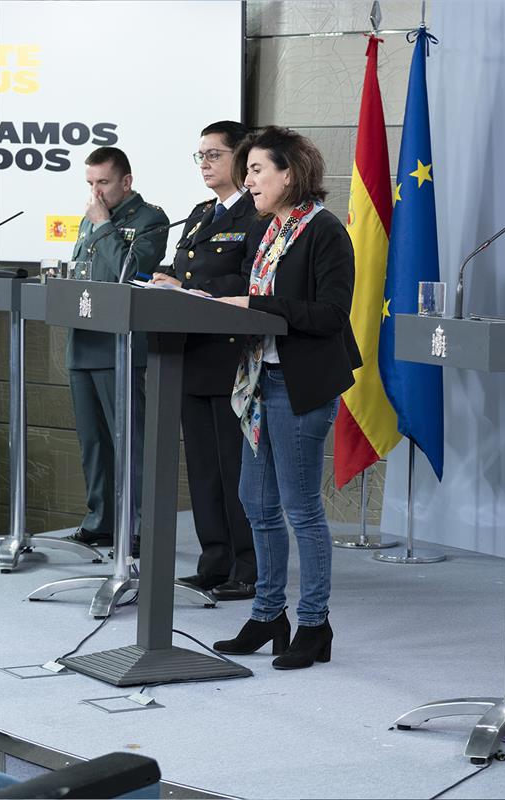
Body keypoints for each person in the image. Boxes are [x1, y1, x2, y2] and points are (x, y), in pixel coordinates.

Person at [212, 126, 361, 670]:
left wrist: (260, 306)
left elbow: (330, 315)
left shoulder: (324, 231)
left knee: (300, 508)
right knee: (256, 502)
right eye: (246, 169)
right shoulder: (265, 231)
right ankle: (268, 613)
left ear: (288, 174)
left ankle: (314, 625)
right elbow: (250, 296)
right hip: (258, 381)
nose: (246, 179)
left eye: (255, 170)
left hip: (301, 384)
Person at [151, 121, 258, 601]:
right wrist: (163, 280)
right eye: (200, 156)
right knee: (203, 466)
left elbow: (251, 283)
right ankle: (214, 560)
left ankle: (247, 566)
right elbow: (181, 269)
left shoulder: (257, 215)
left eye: (214, 154)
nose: (206, 164)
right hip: (190, 351)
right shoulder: (199, 214)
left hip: (232, 353)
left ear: (241, 156)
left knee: (236, 466)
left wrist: (191, 290)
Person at [63, 147, 167, 554]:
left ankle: (141, 524)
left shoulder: (149, 219)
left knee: (130, 440)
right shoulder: (92, 218)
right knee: (93, 441)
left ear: (126, 181)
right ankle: (101, 519)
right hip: (83, 342)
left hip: (120, 346)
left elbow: (129, 273)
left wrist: (104, 226)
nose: (96, 193)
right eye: (90, 184)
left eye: (103, 183)